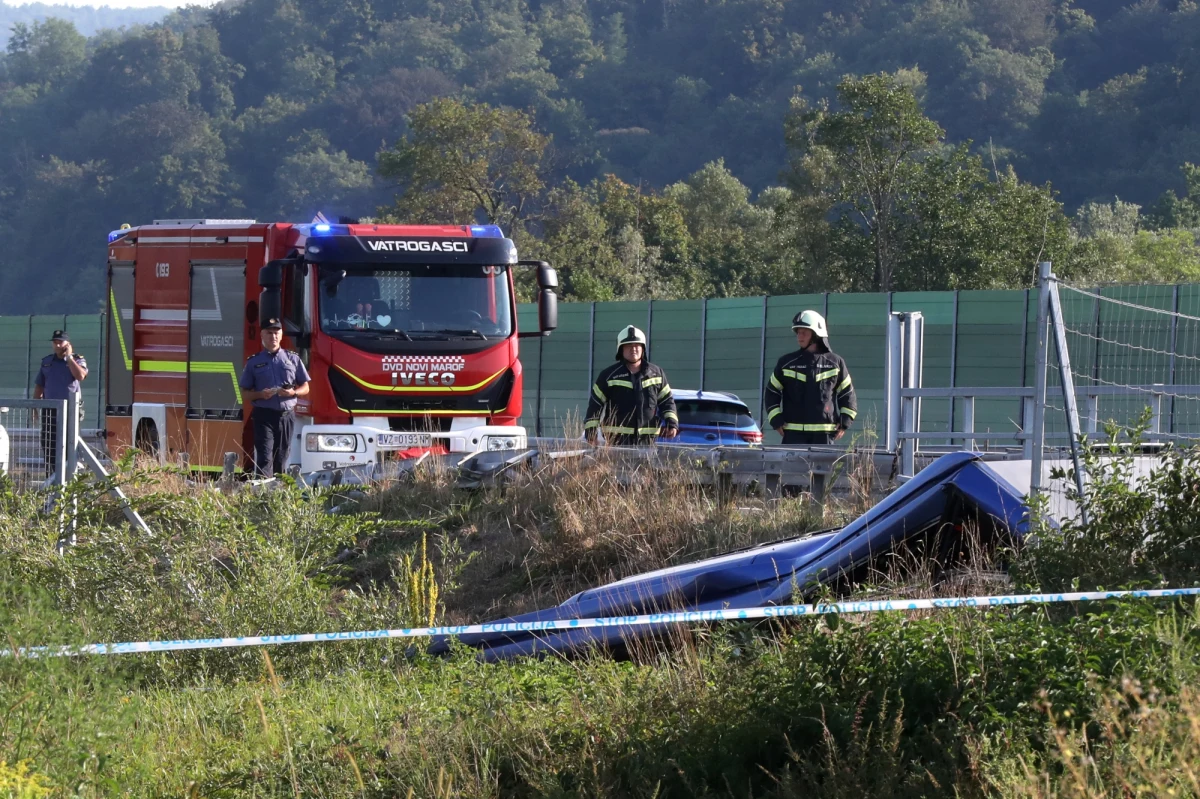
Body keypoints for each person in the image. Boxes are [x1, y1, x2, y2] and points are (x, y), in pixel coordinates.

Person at [764, 310, 857, 446]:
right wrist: (776, 420)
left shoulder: (835, 363)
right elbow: (771, 392)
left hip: (825, 435)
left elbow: (848, 394)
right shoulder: (786, 363)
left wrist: (844, 422)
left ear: (816, 335)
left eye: (804, 333)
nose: (799, 337)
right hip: (793, 435)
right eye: (798, 332)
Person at [584, 325, 679, 445]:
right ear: (621, 350)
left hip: (648, 442)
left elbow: (667, 401)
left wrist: (672, 422)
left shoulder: (656, 374)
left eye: (636, 345)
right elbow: (595, 405)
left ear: (643, 348)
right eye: (628, 346)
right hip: (616, 441)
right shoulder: (608, 376)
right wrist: (591, 433)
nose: (633, 349)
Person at [239, 318, 311, 476]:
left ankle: (278, 495)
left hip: (286, 416)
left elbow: (306, 387)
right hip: (263, 416)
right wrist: (260, 394)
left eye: (276, 332)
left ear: (281, 334)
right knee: (265, 458)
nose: (273, 336)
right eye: (269, 333)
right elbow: (244, 393)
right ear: (262, 336)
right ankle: (264, 496)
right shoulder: (254, 362)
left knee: (281, 458)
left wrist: (293, 393)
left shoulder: (293, 359)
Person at [33, 330, 88, 476]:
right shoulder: (47, 362)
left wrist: (69, 357)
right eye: (55, 342)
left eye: (60, 342)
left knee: (70, 444)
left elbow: (81, 376)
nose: (57, 345)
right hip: (50, 409)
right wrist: (35, 407)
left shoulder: (76, 360)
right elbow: (39, 385)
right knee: (49, 444)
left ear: (67, 344)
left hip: (71, 410)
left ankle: (70, 478)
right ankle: (51, 478)